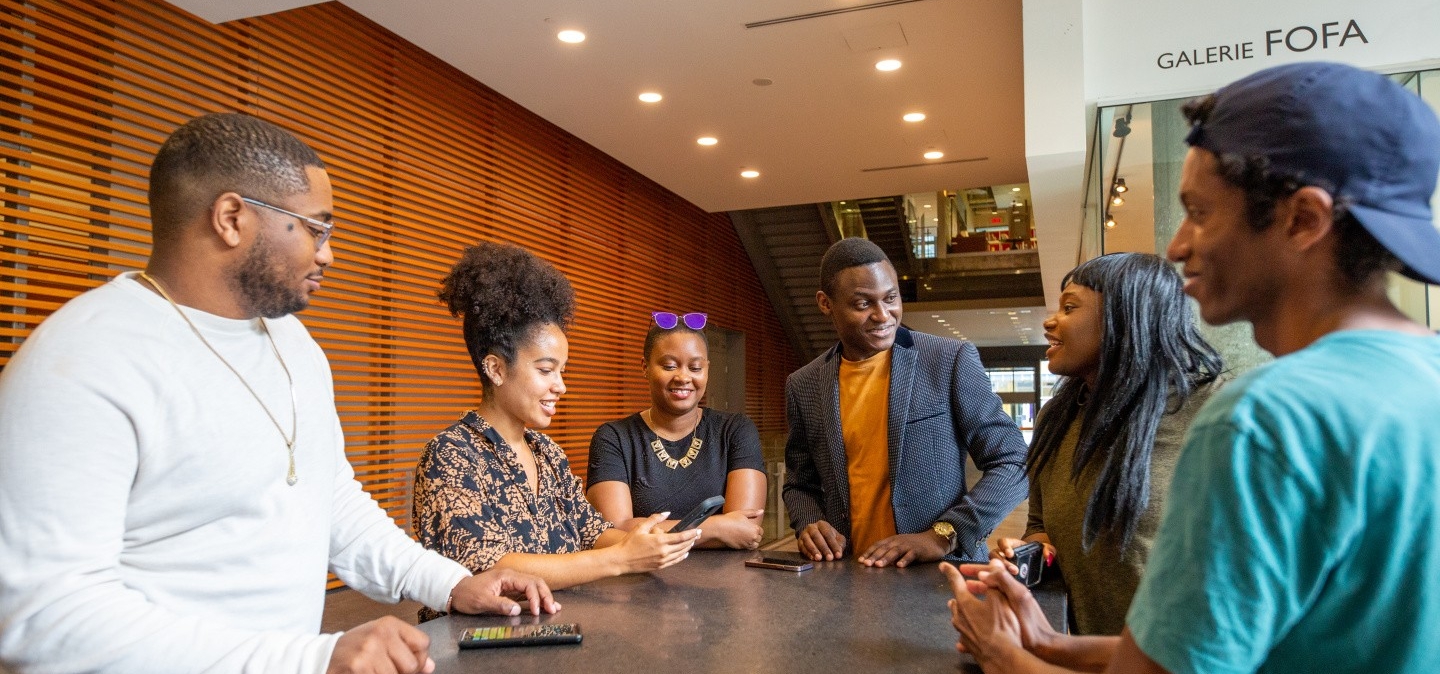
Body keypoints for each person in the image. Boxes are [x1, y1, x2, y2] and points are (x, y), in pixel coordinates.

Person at [0, 113, 556, 674]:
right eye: (316, 228)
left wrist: (454, 582)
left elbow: (334, 503)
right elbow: (46, 617)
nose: (328, 254)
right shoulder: (82, 361)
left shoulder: (294, 344)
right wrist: (308, 659)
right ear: (231, 218)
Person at [943, 61, 1440, 674]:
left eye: (1200, 212)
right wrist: (1048, 645)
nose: (1177, 247)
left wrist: (1002, 656)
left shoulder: (1261, 419)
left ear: (1302, 220)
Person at [414, 242, 700, 601]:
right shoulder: (451, 455)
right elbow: (489, 567)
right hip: (478, 645)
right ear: (496, 368)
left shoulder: (546, 452)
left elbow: (589, 529)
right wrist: (621, 559)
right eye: (546, 370)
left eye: (562, 371)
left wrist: (645, 539)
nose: (560, 386)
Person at [989, 252, 1224, 636]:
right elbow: (1041, 526)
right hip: (1088, 656)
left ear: (1125, 316)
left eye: (1069, 307)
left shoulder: (1213, 410)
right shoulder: (1057, 419)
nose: (1050, 323)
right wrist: (1032, 550)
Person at [783, 237, 1028, 566]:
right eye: (863, 304)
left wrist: (943, 534)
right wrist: (809, 522)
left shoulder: (947, 359)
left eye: (891, 298)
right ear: (826, 304)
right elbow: (800, 483)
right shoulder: (804, 384)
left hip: (941, 577)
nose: (883, 315)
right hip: (845, 577)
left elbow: (1014, 463)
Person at [585, 313, 768, 550]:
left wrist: (650, 532)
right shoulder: (614, 438)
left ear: (707, 369)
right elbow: (612, 531)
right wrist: (716, 528)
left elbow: (746, 530)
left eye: (695, 367)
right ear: (645, 367)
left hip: (727, 581)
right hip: (641, 580)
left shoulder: (735, 430)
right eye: (669, 366)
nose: (683, 377)